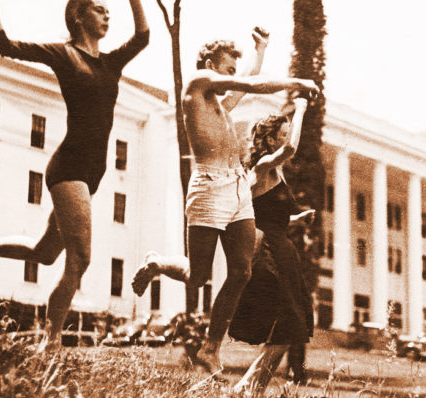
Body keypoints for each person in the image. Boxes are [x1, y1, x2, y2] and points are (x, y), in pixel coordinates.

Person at [0, 0, 148, 351]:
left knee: (45, 253)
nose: (108, 14)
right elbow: (5, 45)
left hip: (92, 174)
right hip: (69, 168)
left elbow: (143, 36)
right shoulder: (63, 55)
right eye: (99, 8)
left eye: (109, 9)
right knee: (82, 258)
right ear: (78, 16)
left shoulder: (110, 62)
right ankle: (53, 341)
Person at [131, 36, 318, 376]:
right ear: (210, 66)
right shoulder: (198, 84)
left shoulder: (219, 105)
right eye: (227, 67)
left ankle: (210, 347)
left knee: (241, 270)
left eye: (234, 67)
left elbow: (243, 84)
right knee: (198, 275)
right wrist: (295, 82)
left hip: (236, 189)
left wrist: (260, 52)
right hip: (209, 186)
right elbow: (247, 83)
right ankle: (156, 263)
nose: (232, 74)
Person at [228, 97, 315, 395]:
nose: (286, 138)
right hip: (268, 252)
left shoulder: (274, 174)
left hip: (282, 250)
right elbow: (291, 149)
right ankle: (252, 389)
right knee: (289, 323)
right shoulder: (264, 166)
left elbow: (273, 217)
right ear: (268, 138)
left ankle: (247, 387)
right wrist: (301, 109)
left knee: (291, 325)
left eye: (287, 132)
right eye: (281, 133)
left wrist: (299, 217)